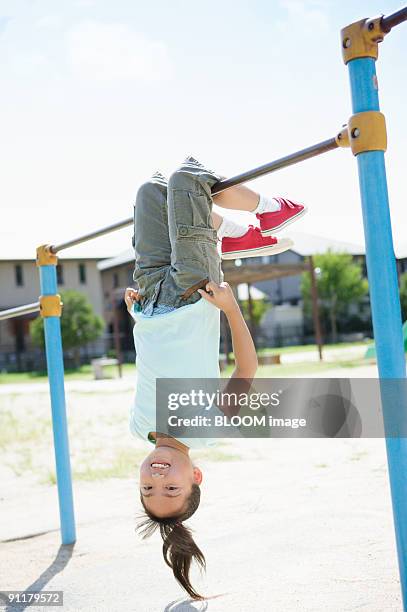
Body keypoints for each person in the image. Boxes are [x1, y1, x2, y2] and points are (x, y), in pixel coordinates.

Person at [125, 156, 306, 599]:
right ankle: (270, 209)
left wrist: (138, 315)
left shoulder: (137, 429)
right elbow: (247, 369)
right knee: (188, 178)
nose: (159, 476)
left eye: (149, 486)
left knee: (151, 191)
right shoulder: (205, 428)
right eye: (171, 487)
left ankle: (233, 234)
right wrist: (230, 307)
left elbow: (150, 359)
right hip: (194, 290)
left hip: (149, 295)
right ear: (196, 476)